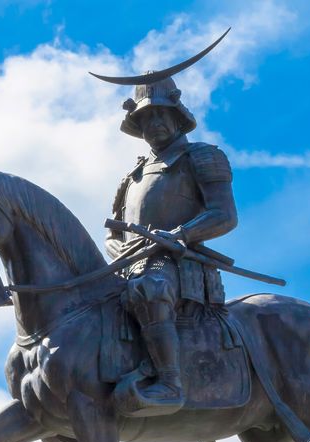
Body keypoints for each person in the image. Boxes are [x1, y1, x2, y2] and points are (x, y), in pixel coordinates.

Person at [105, 75, 238, 416]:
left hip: (178, 265)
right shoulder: (131, 177)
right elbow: (113, 234)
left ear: (177, 116)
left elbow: (224, 215)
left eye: (160, 114)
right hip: (129, 266)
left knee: (150, 289)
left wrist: (179, 235)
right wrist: (118, 252)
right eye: (145, 118)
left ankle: (170, 384)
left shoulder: (202, 157)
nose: (154, 123)